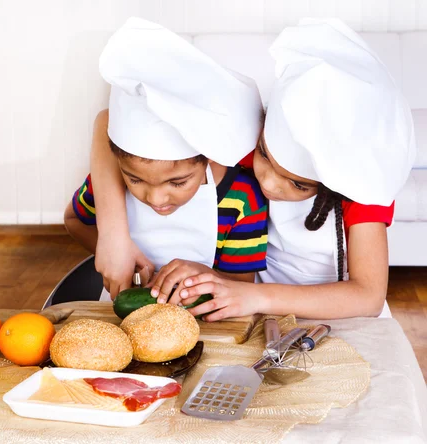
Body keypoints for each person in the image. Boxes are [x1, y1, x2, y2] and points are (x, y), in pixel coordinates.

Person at [89, 18, 416, 319]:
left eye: (298, 184)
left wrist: (256, 296)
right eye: (263, 155)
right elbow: (110, 120)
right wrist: (113, 233)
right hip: (250, 306)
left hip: (336, 314)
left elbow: (368, 296)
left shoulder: (362, 188)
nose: (270, 184)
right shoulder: (250, 139)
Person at [64, 18, 268, 300]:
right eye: (135, 179)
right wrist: (113, 251)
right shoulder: (110, 185)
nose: (157, 199)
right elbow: (74, 219)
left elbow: (241, 283)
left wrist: (202, 278)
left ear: (207, 158)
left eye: (178, 181)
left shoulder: (241, 199)